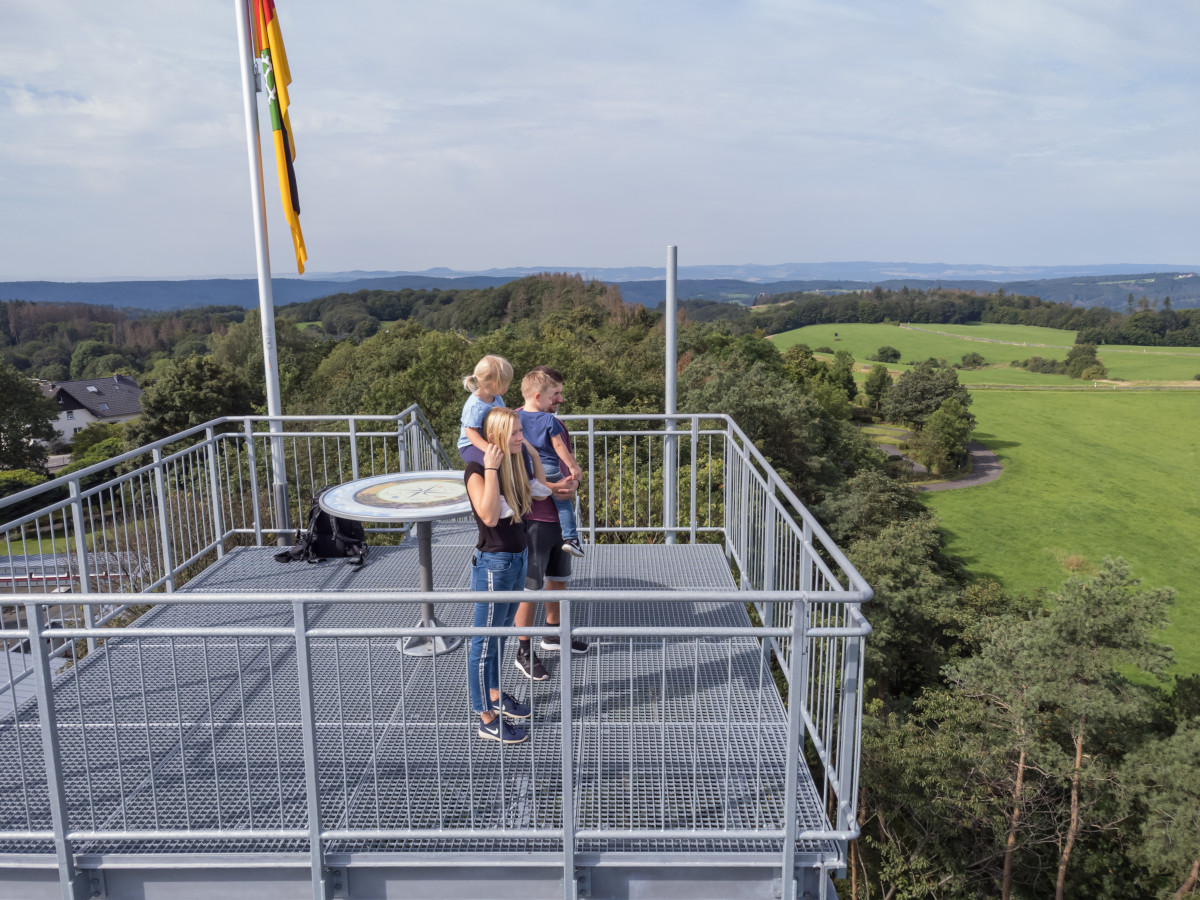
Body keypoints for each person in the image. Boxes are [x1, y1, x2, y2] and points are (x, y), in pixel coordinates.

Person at [464, 407, 534, 744]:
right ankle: (486, 716)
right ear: (496, 439)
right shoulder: (478, 469)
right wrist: (491, 467)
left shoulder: (514, 462)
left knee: (500, 636)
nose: (522, 437)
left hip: (516, 559)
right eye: (516, 433)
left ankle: (494, 694)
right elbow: (490, 517)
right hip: (494, 564)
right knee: (483, 642)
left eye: (521, 431)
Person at [513, 367, 588, 682]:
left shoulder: (553, 422)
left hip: (557, 516)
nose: (561, 398)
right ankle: (523, 649)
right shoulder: (511, 422)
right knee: (530, 586)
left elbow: (566, 458)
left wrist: (576, 479)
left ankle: (553, 634)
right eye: (555, 394)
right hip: (533, 518)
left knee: (557, 578)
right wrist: (558, 488)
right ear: (538, 396)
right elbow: (511, 472)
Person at [518, 368, 585, 558]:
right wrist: (573, 468)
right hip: (548, 469)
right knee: (563, 503)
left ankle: (539, 491)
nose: (557, 400)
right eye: (552, 396)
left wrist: (575, 483)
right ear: (539, 396)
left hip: (529, 468)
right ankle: (571, 538)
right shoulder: (549, 420)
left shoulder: (515, 419)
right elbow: (559, 447)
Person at [457, 355, 513, 464]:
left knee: (521, 452)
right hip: (471, 446)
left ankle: (530, 480)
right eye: (507, 383)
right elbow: (471, 433)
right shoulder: (475, 406)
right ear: (496, 384)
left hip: (490, 441)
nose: (508, 385)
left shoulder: (496, 398)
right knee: (493, 461)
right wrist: (489, 449)